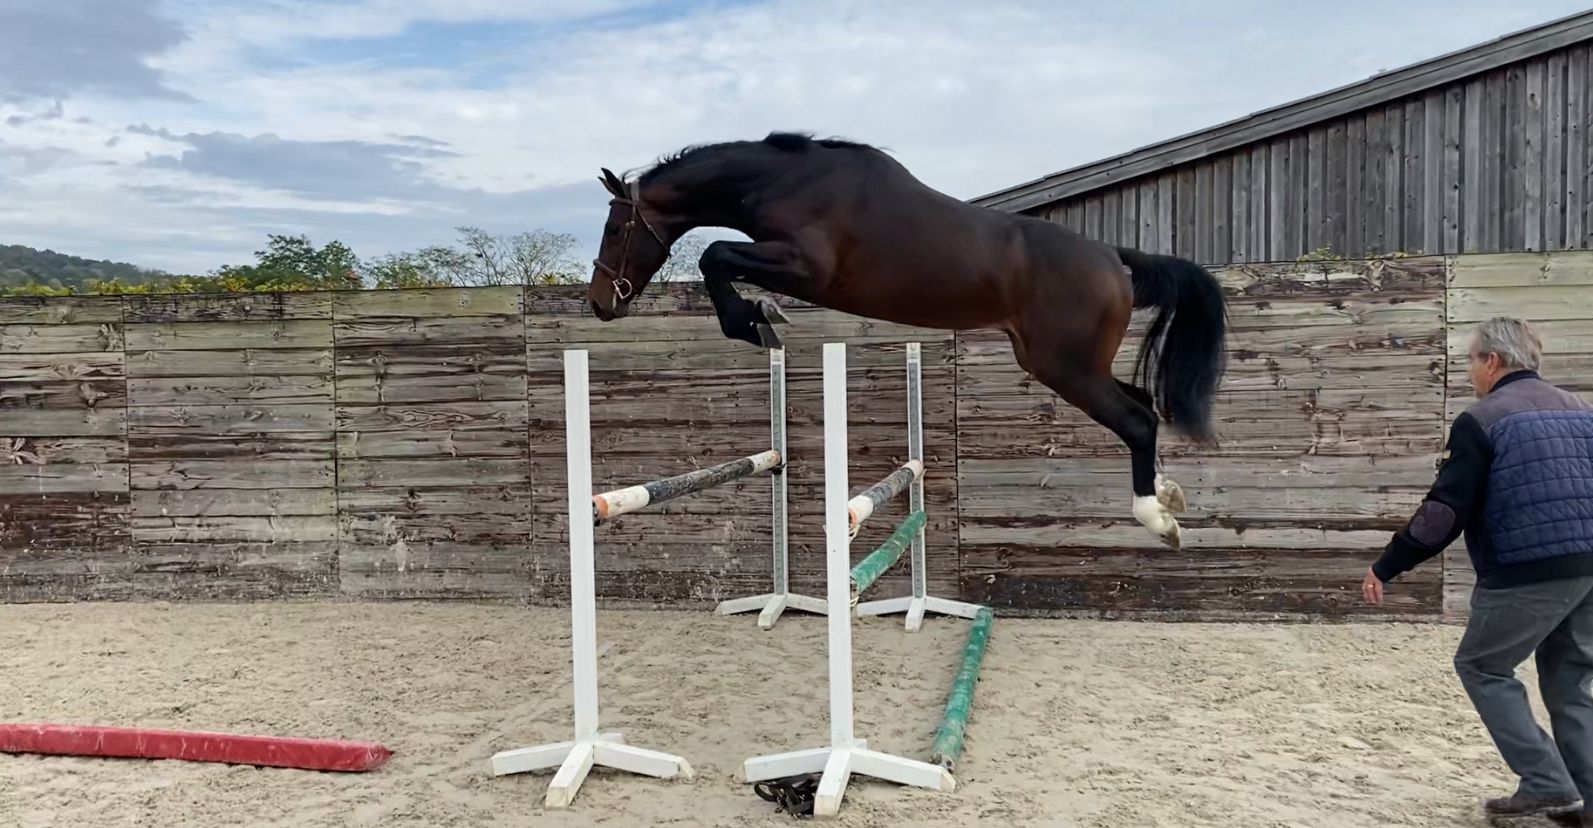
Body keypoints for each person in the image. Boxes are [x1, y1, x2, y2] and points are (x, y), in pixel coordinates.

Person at [1364, 316, 1593, 824]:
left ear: (1492, 361)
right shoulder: (1583, 411)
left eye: (1471, 358)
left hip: (1527, 571)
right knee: (1571, 680)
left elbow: (1444, 512)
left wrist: (1388, 564)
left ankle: (1546, 783)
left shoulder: (1482, 419)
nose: (1469, 369)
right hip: (1589, 568)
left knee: (1483, 666)